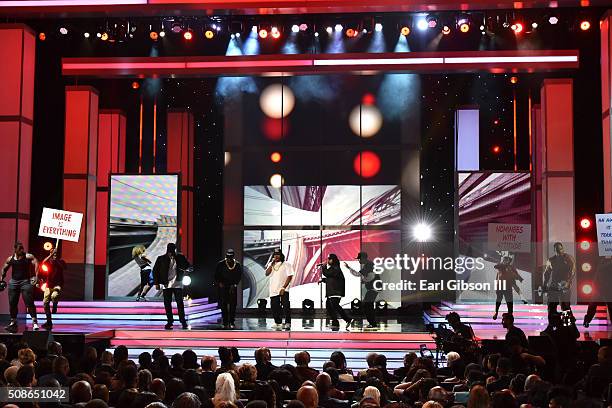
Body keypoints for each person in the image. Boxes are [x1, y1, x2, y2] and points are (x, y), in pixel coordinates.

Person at [1, 242, 40, 332]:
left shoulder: (28, 256)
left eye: (22, 248)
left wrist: (36, 276)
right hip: (14, 282)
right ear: (15, 249)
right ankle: (13, 322)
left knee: (29, 302)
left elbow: (36, 262)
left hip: (25, 282)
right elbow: (4, 269)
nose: (22, 250)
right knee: (12, 303)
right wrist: (1, 279)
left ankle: (34, 322)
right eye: (20, 249)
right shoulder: (10, 259)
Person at [153, 243, 190, 330]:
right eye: (169, 251)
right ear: (167, 250)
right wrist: (156, 283)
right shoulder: (161, 258)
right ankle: (170, 321)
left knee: (180, 303)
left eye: (172, 251)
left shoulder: (180, 257)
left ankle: (183, 321)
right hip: (167, 284)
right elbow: (155, 271)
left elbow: (187, 266)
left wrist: (185, 267)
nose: (171, 253)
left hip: (177, 283)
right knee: (167, 303)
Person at [543, 242, 575, 328]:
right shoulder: (551, 260)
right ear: (554, 250)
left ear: (563, 248)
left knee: (565, 307)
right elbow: (546, 273)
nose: (559, 251)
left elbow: (572, 271)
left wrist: (568, 282)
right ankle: (551, 326)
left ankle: (568, 326)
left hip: (564, 285)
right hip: (553, 286)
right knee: (551, 307)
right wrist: (544, 285)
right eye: (557, 249)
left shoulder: (568, 258)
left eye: (560, 249)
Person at [344, 252, 379, 329]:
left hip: (373, 289)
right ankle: (372, 323)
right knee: (368, 306)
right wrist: (365, 280)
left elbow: (358, 274)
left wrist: (349, 268)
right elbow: (371, 276)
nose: (358, 260)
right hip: (373, 288)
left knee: (367, 306)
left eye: (359, 259)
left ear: (363, 258)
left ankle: (373, 323)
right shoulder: (369, 264)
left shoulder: (368, 265)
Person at [321, 254, 352, 330]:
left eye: (329, 259)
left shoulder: (336, 268)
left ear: (333, 260)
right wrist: (323, 280)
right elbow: (331, 278)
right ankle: (335, 322)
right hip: (332, 291)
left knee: (335, 305)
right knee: (329, 305)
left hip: (336, 291)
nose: (327, 261)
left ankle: (347, 319)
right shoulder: (334, 268)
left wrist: (323, 266)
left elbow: (327, 273)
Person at [265, 248, 294, 330]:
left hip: (283, 289)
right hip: (273, 290)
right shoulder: (271, 263)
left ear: (281, 255)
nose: (276, 256)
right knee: (274, 307)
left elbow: (290, 276)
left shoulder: (286, 264)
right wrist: (271, 264)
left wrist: (284, 287)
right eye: (275, 255)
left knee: (285, 306)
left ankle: (288, 322)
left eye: (278, 255)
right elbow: (267, 274)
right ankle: (278, 322)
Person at [214, 249, 242, 329]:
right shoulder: (220, 264)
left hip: (232, 287)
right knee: (223, 305)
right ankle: (225, 321)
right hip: (223, 287)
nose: (229, 257)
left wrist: (235, 284)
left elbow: (239, 276)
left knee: (233, 305)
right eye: (228, 256)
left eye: (231, 256)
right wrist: (219, 283)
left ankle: (232, 321)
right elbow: (216, 275)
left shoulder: (237, 264)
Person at [40, 247, 66, 330]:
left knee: (54, 296)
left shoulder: (61, 261)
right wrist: (50, 255)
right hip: (49, 284)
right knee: (45, 303)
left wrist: (56, 260)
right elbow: (43, 262)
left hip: (57, 284)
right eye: (53, 253)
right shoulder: (49, 261)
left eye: (55, 253)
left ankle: (55, 304)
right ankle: (49, 321)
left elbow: (63, 267)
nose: (54, 255)